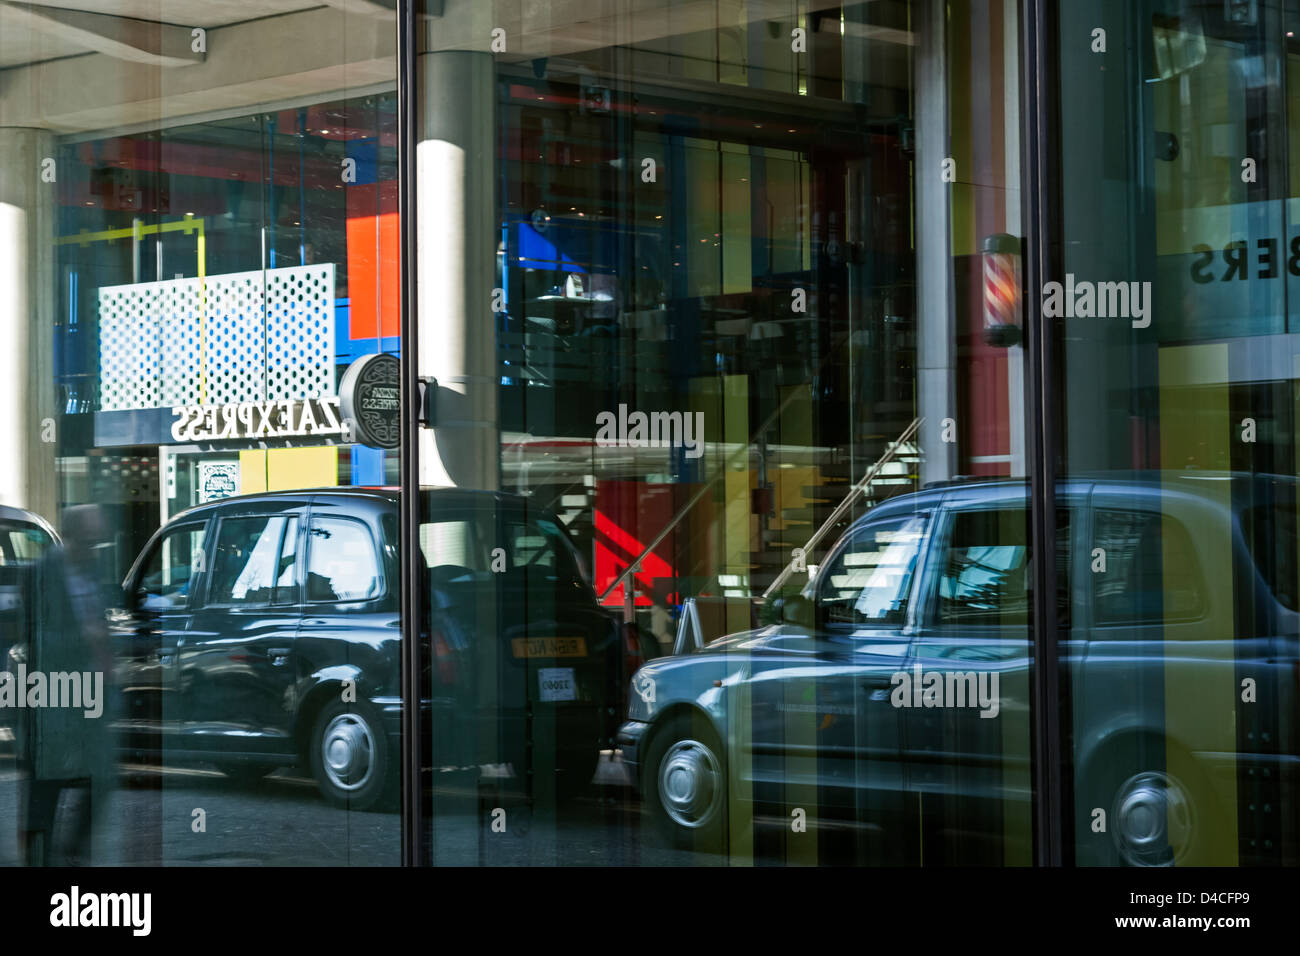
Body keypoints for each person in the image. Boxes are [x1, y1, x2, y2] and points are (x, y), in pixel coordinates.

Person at [16, 504, 117, 865]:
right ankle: (39, 857)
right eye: (89, 542)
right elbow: (37, 642)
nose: (94, 550)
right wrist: (84, 638)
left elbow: (100, 622)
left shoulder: (92, 570)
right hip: (53, 692)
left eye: (98, 543)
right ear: (71, 538)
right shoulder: (40, 575)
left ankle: (74, 851)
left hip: (91, 692)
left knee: (103, 774)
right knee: (48, 783)